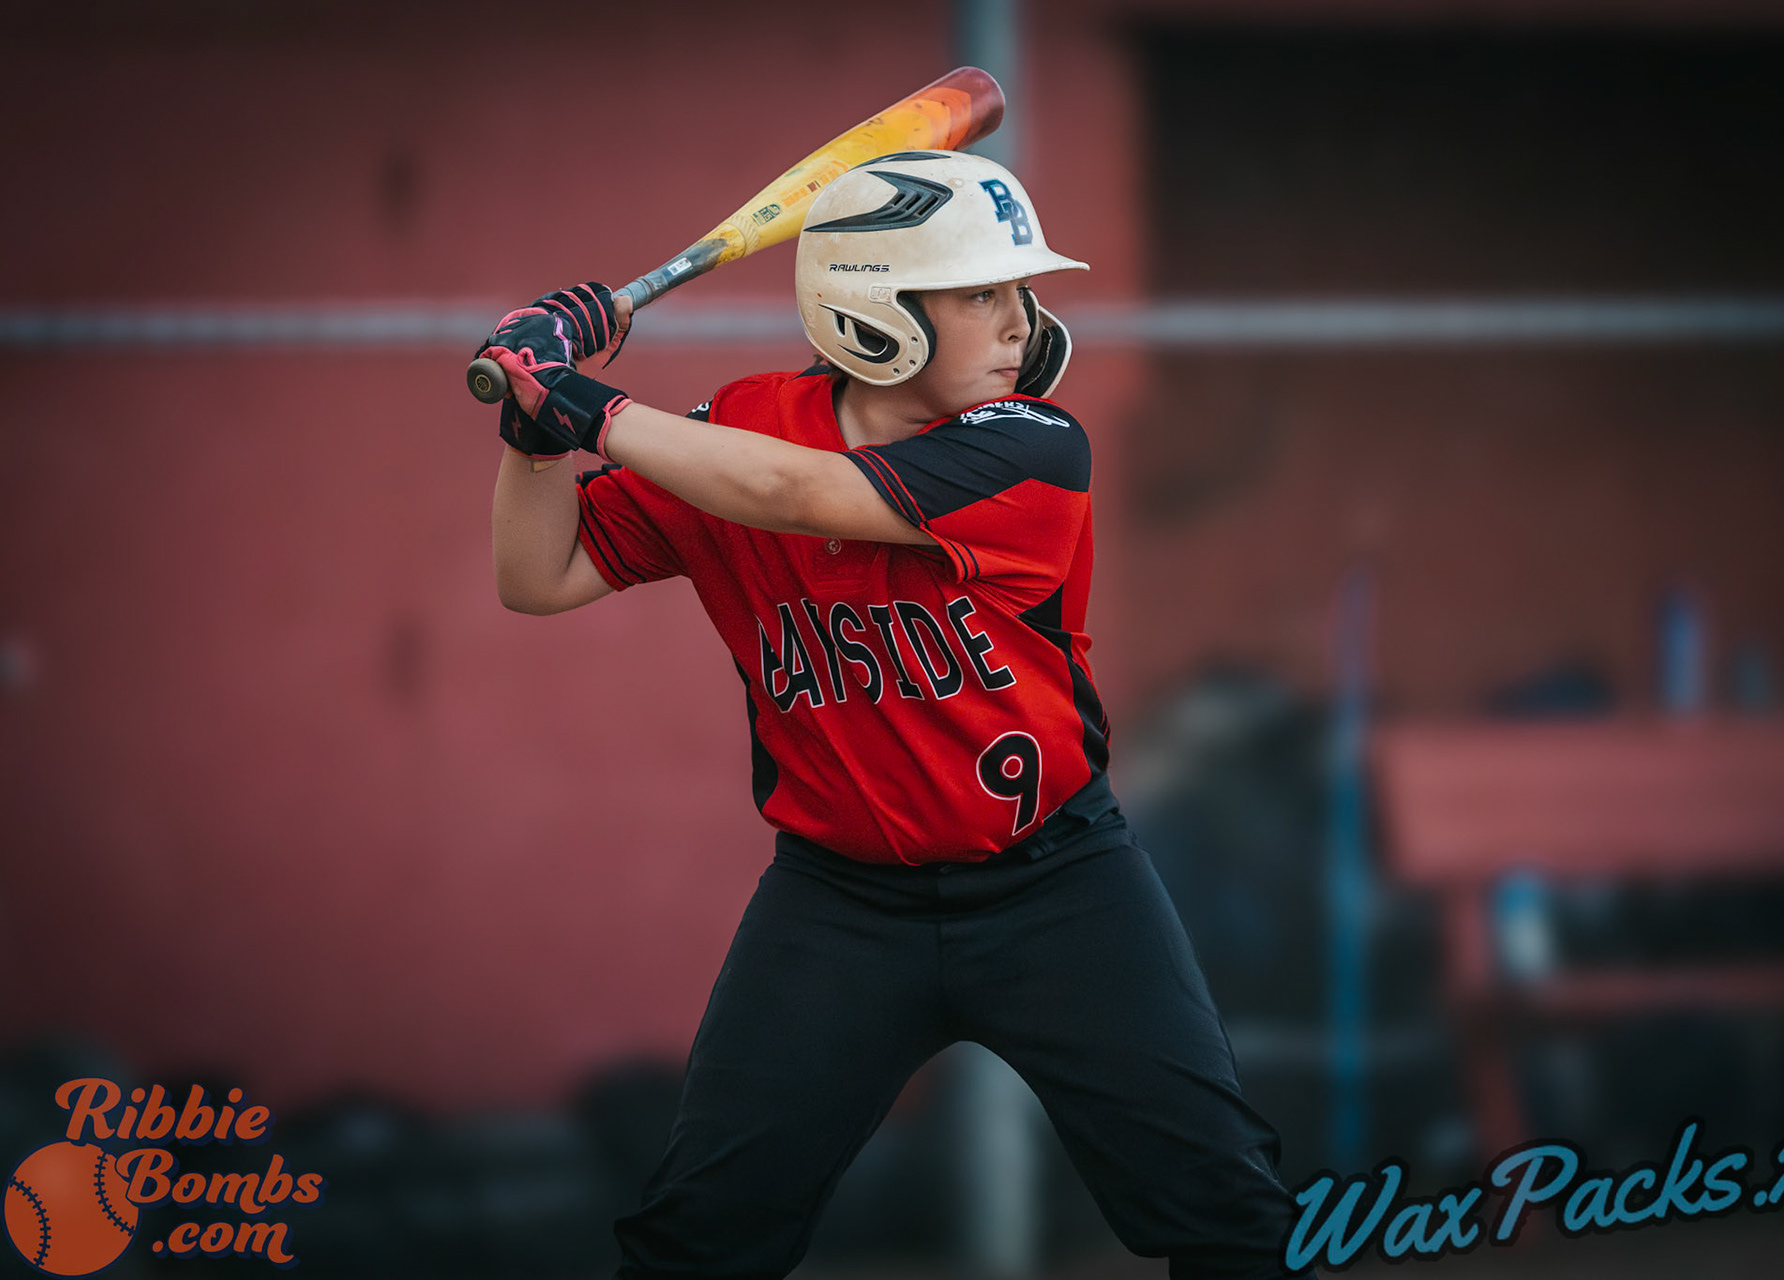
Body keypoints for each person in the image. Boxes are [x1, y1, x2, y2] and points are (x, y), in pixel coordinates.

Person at [480, 150, 1308, 1279]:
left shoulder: (1034, 446)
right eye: (980, 294)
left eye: (1019, 292)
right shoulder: (739, 427)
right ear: (873, 311)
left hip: (1057, 884)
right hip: (837, 904)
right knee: (701, 1231)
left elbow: (797, 493)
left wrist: (580, 399)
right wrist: (532, 432)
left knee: (1225, 1206)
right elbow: (538, 574)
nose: (1019, 322)